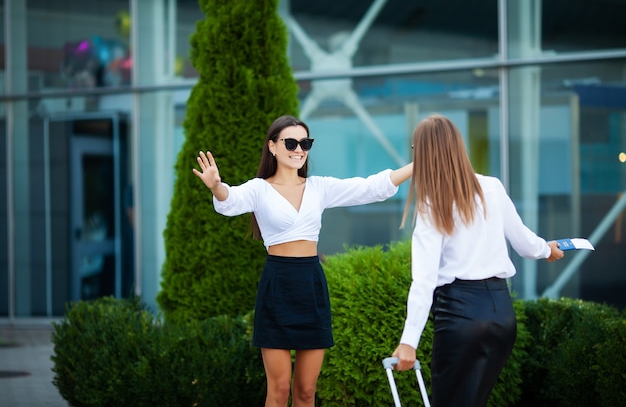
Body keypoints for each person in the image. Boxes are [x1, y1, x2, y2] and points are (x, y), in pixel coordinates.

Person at [193, 115, 412, 407]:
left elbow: (370, 187)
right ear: (272, 147)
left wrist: (417, 165)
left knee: (307, 390)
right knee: (279, 389)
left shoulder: (318, 187)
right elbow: (230, 201)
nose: (299, 149)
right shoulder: (259, 189)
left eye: (305, 143)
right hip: (277, 286)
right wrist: (216, 186)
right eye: (291, 142)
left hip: (310, 283)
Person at [391, 114, 564, 407]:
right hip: (502, 314)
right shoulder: (492, 187)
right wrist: (547, 250)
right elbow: (524, 243)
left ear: (422, 153)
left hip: (461, 315)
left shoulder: (432, 204)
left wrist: (409, 340)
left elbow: (424, 279)